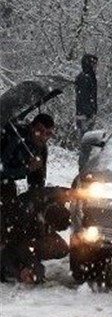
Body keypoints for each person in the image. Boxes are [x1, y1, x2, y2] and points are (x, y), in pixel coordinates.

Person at [0, 113, 70, 284]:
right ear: (31, 128)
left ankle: (19, 246)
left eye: (48, 134)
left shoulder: (41, 149)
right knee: (7, 202)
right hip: (3, 180)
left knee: (28, 209)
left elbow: (36, 186)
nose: (43, 137)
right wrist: (24, 170)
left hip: (12, 186)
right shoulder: (12, 139)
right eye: (39, 131)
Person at [75, 53, 98, 171]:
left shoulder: (87, 76)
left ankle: (84, 167)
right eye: (94, 64)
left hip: (84, 115)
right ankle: (83, 169)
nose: (96, 66)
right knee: (86, 144)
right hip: (85, 116)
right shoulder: (86, 77)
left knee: (86, 144)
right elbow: (85, 98)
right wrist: (89, 114)